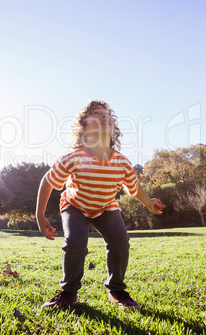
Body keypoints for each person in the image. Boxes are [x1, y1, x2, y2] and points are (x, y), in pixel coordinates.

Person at [36, 100, 165, 310]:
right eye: (97, 114)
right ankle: (68, 293)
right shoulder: (74, 158)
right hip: (75, 205)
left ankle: (117, 290)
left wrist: (149, 203)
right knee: (76, 240)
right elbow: (48, 181)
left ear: (114, 129)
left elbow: (134, 188)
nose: (105, 116)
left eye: (107, 114)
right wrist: (40, 216)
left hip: (105, 207)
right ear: (84, 128)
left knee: (120, 241)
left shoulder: (122, 162)